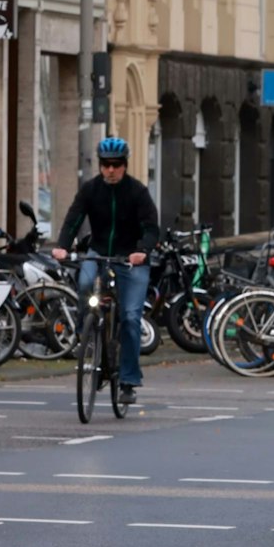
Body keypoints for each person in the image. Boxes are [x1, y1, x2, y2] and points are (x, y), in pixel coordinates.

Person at [52, 136, 160, 405]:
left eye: (116, 165)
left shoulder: (137, 192)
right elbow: (73, 219)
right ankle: (85, 334)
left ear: (125, 165)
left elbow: (151, 228)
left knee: (131, 317)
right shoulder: (90, 190)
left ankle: (128, 381)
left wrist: (142, 250)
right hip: (99, 252)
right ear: (100, 165)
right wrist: (62, 246)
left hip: (130, 258)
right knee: (85, 283)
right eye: (106, 165)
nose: (111, 170)